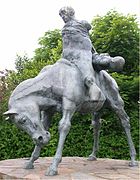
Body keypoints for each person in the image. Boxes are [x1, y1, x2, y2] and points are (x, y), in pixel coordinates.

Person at [59, 6, 103, 101]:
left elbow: (86, 39)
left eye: (64, 13)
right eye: (61, 15)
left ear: (71, 13)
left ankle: (93, 87)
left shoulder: (82, 23)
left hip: (81, 53)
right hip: (66, 55)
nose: (62, 16)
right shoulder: (64, 28)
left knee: (85, 69)